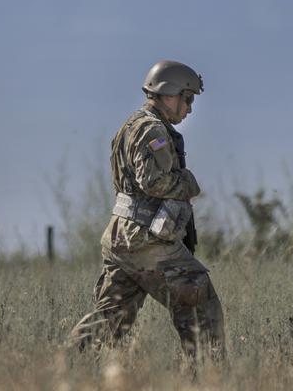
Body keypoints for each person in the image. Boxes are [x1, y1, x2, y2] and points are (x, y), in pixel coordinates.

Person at [69, 60, 225, 361]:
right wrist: (188, 183)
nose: (190, 108)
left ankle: (62, 371)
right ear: (169, 93)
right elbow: (153, 181)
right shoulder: (152, 129)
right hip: (145, 240)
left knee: (109, 319)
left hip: (123, 237)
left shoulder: (132, 125)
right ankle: (209, 377)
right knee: (200, 302)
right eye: (187, 98)